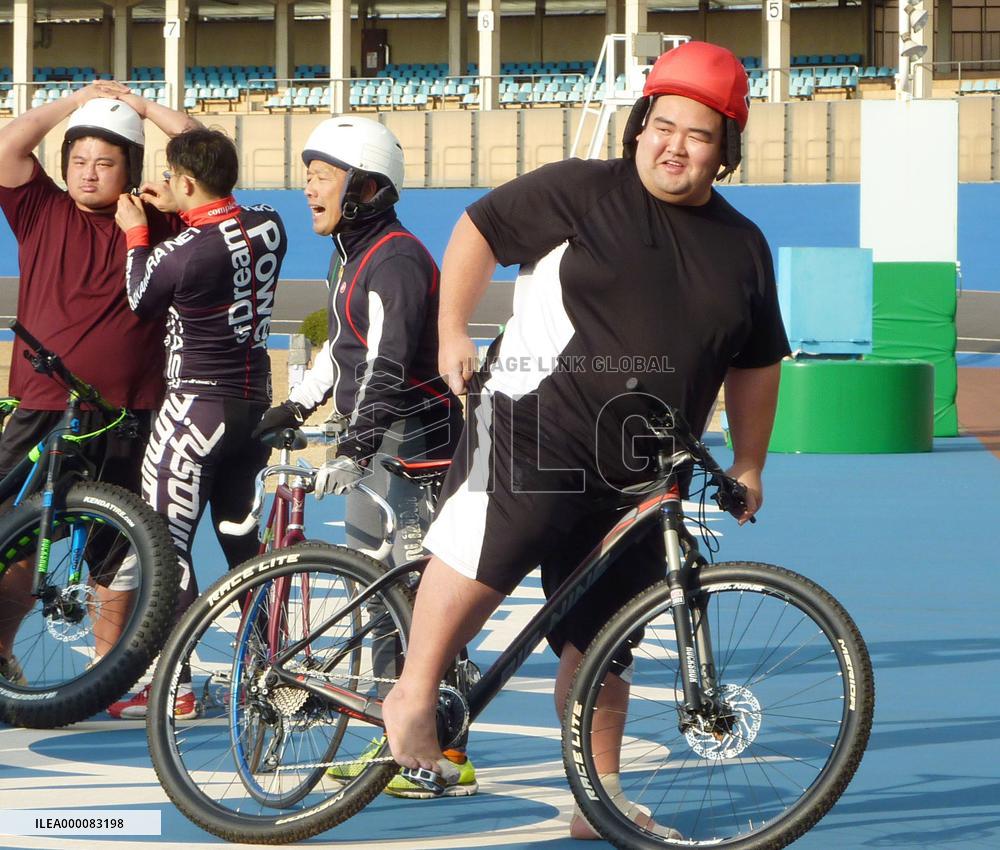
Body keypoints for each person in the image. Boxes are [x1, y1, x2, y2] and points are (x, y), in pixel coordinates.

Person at [380, 40, 792, 838]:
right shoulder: (582, 190)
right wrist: (452, 330)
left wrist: (749, 462)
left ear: (725, 150)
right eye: (662, 126)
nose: (674, 146)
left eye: (698, 134)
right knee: (494, 546)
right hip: (537, 422)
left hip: (646, 466)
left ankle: (596, 797)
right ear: (639, 126)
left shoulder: (742, 247)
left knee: (609, 635)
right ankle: (414, 692)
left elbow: (756, 362)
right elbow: (478, 229)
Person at [252, 116, 470, 797]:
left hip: (415, 447)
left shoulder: (396, 258)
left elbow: (387, 364)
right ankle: (393, 738)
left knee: (419, 596)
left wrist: (354, 445)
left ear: (366, 187)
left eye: (322, 177)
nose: (308, 189)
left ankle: (447, 749)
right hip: (378, 442)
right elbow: (345, 350)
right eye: (307, 176)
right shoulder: (351, 253)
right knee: (374, 595)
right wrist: (298, 404)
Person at [0, 83, 197, 687]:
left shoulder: (158, 219)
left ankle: (106, 670)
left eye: (105, 163)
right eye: (79, 160)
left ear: (130, 168)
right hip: (43, 405)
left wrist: (144, 108)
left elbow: (204, 153)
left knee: (118, 547)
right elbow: (7, 146)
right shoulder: (41, 208)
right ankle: (2, 654)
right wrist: (76, 101)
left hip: (129, 411)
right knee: (15, 538)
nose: (88, 173)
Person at [106, 127, 288, 719]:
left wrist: (136, 234)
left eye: (171, 178)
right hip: (253, 409)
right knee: (244, 547)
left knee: (165, 548)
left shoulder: (179, 252)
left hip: (194, 411)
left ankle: (174, 687)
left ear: (185, 182)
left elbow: (140, 297)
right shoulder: (269, 223)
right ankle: (273, 668)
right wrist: (187, 205)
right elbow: (221, 228)